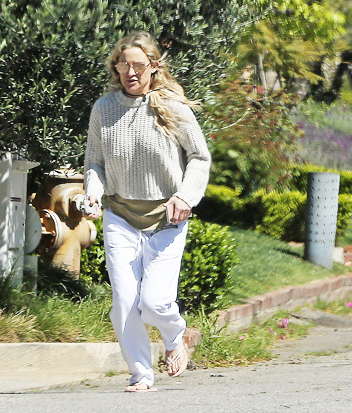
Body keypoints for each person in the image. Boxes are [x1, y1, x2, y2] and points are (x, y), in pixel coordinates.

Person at [83, 31, 211, 392]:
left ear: (154, 66)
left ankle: (175, 334)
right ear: (116, 67)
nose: (130, 72)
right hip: (120, 215)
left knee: (154, 304)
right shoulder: (104, 108)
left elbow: (200, 157)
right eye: (123, 65)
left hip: (167, 218)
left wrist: (185, 196)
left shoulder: (172, 107)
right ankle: (141, 375)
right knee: (124, 301)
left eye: (138, 65)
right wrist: (93, 193)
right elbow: (95, 162)